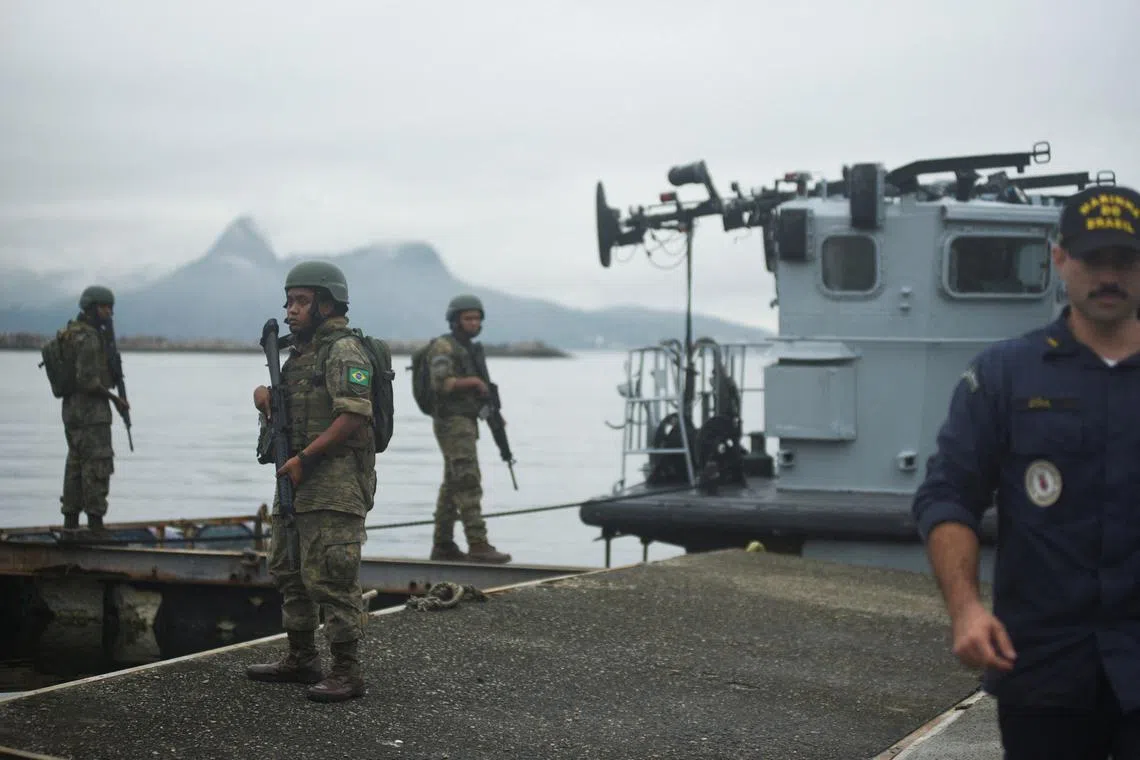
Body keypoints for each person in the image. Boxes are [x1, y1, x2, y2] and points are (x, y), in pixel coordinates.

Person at [912, 185, 1140, 758]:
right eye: (1094, 260)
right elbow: (948, 495)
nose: (1109, 276)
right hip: (1045, 674)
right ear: (1060, 257)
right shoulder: (1004, 376)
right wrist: (965, 609)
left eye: (1126, 261)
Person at [246, 261, 376, 703]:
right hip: (294, 477)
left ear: (327, 303)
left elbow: (354, 416)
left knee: (333, 577)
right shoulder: (300, 356)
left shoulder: (344, 352)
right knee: (288, 569)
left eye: (301, 302)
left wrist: (306, 458)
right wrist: (266, 399)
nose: (290, 311)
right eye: (288, 301)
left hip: (333, 482)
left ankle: (347, 670)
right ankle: (301, 658)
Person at [423, 294, 512, 564]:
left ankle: (443, 545)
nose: (473, 323)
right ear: (455, 321)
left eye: (477, 318)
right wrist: (472, 382)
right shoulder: (443, 347)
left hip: (467, 421)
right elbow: (442, 384)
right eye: (468, 318)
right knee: (468, 479)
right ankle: (477, 543)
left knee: (453, 484)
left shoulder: (470, 349)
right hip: (452, 422)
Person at [58, 285, 129, 532]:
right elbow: (88, 381)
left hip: (72, 413)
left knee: (75, 465)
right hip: (92, 416)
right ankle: (95, 527)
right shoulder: (89, 338)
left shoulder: (71, 333)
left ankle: (70, 523)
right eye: (104, 307)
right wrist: (115, 400)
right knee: (97, 465)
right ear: (92, 308)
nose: (108, 312)